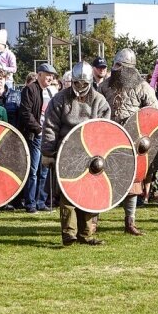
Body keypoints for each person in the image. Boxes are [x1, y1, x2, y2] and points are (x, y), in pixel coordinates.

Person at [41, 61, 111, 245]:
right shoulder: (60, 99)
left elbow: (104, 129)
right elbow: (50, 126)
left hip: (91, 153)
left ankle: (86, 234)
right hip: (67, 151)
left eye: (83, 84)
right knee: (68, 193)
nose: (80, 87)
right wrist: (48, 152)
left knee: (89, 193)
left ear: (89, 82)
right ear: (72, 82)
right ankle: (69, 233)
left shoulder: (99, 101)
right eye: (77, 83)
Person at [99, 48, 158, 236]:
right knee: (100, 177)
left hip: (132, 139)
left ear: (127, 68)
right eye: (114, 65)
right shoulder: (104, 86)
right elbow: (96, 108)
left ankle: (130, 221)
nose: (115, 69)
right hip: (108, 137)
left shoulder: (142, 87)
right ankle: (92, 220)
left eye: (119, 66)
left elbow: (155, 115)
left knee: (133, 181)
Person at [19, 62, 58, 213]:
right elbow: (25, 113)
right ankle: (31, 203)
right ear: (39, 74)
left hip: (47, 136)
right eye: (48, 75)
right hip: (35, 135)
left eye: (52, 76)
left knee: (44, 171)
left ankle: (41, 202)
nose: (50, 78)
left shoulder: (50, 92)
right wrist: (38, 129)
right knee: (33, 171)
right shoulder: (30, 90)